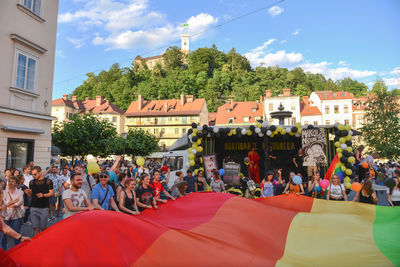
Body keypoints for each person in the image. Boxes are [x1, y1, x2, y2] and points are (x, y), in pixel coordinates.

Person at [25, 166, 54, 236]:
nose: (33, 176)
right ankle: (36, 244)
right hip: (33, 206)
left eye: (35, 174)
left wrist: (43, 195)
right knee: (35, 228)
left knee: (43, 228)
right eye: (32, 174)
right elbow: (31, 195)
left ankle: (43, 242)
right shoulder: (31, 182)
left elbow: (52, 193)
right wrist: (28, 192)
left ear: (40, 172)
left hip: (44, 207)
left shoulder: (48, 181)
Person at [1, 176, 24, 249]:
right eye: (9, 181)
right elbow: (3, 204)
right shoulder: (4, 192)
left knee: (16, 233)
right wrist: (13, 201)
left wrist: (8, 204)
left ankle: (17, 251)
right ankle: (3, 251)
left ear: (16, 183)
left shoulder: (20, 192)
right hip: (5, 216)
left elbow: (19, 203)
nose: (10, 183)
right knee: (3, 235)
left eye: (12, 181)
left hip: (16, 216)